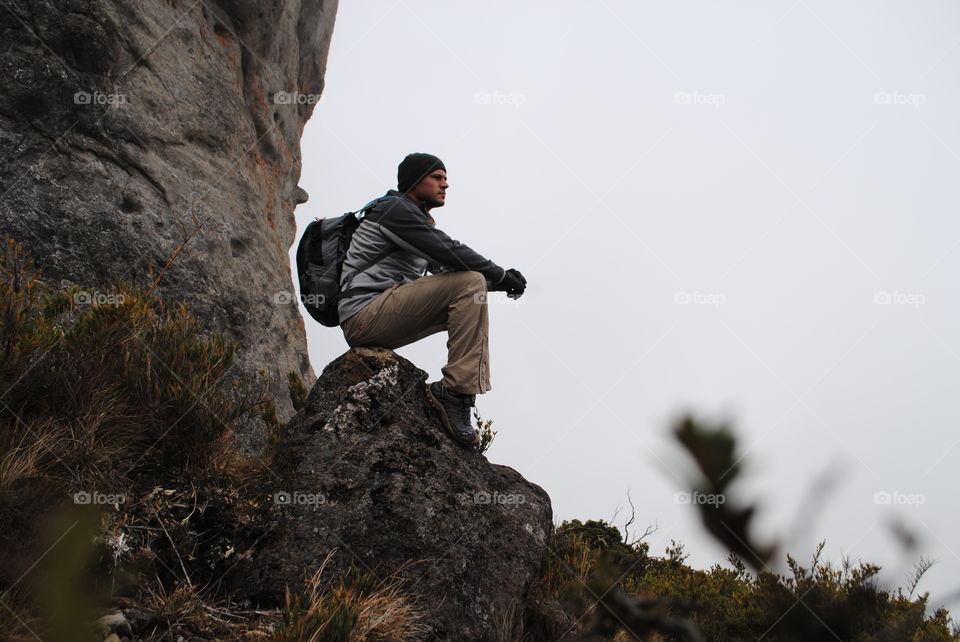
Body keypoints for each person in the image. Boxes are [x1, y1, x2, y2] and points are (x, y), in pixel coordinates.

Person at [338, 153, 526, 446]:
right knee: (470, 283)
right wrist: (500, 274)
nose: (445, 184)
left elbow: (449, 273)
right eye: (437, 177)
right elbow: (449, 250)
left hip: (378, 316)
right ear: (415, 181)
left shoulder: (413, 220)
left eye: (445, 178)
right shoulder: (394, 210)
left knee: (471, 287)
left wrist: (501, 283)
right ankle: (455, 393)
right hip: (365, 314)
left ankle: (459, 395)